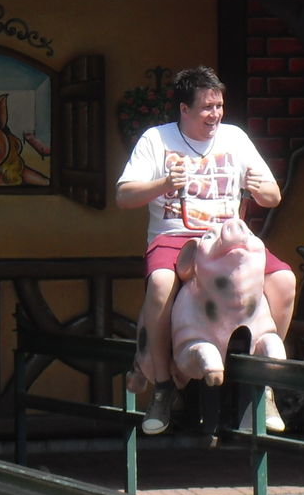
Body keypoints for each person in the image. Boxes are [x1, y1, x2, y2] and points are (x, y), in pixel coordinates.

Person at [116, 66, 293, 436]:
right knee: (161, 283)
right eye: (207, 108)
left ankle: (265, 384)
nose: (215, 114)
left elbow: (273, 195)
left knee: (284, 280)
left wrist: (261, 190)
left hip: (228, 239)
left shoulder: (235, 138)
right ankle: (163, 386)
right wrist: (163, 183)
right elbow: (124, 196)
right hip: (176, 236)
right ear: (184, 109)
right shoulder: (157, 140)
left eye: (219, 106)